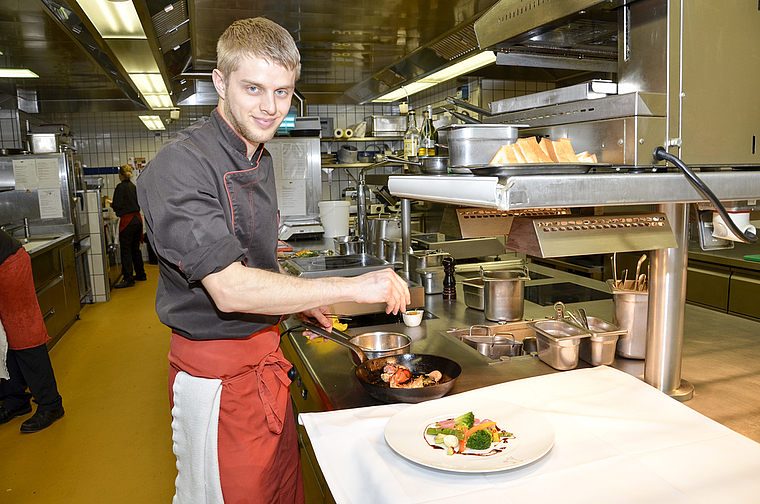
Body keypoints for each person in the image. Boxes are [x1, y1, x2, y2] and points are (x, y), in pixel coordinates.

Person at [137, 17, 410, 504]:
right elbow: (230, 287)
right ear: (220, 83)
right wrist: (351, 287)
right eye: (254, 88)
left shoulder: (257, 156)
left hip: (265, 367)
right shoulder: (179, 166)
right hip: (218, 383)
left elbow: (253, 260)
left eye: (283, 92)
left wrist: (295, 301)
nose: (270, 107)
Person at [0, 229, 65, 433]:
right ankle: (16, 399)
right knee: (4, 338)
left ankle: (50, 404)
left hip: (9, 264)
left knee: (23, 333)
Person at [111, 164, 146, 288]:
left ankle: (128, 278)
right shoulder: (133, 187)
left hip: (128, 221)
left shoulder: (120, 187)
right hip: (137, 220)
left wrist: (113, 206)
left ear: (120, 175)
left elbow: (117, 204)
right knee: (135, 249)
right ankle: (141, 273)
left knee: (126, 250)